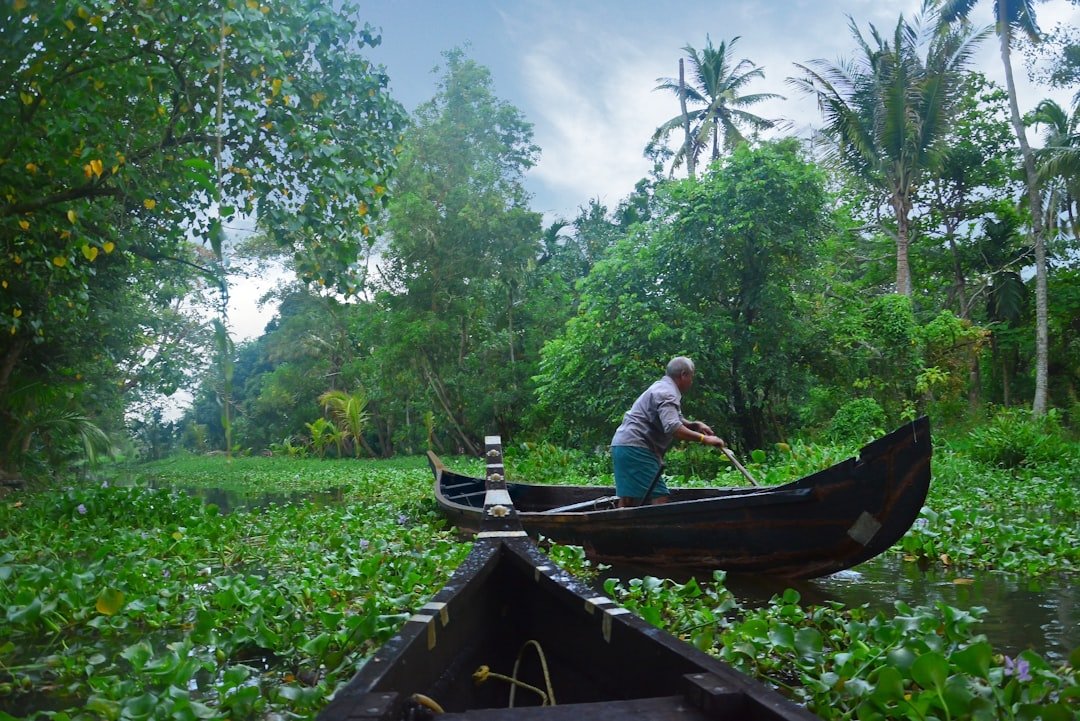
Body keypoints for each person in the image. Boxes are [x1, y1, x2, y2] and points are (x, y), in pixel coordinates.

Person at [610, 356, 725, 507]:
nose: (692, 380)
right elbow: (673, 428)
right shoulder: (667, 392)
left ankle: (620, 528)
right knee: (659, 496)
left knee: (628, 498)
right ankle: (658, 530)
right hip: (636, 447)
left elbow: (673, 419)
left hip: (621, 445)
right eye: (692, 376)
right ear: (683, 375)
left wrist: (694, 425)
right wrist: (704, 439)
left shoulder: (661, 387)